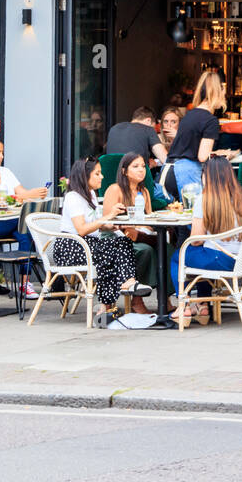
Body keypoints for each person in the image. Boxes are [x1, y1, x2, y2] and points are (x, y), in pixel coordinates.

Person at [53, 157, 154, 327]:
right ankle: (119, 292)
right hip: (71, 247)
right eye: (97, 174)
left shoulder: (90, 194)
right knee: (111, 250)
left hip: (88, 244)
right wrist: (108, 216)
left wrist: (111, 226)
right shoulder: (73, 197)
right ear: (85, 176)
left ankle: (118, 293)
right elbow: (82, 229)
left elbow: (95, 226)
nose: (102, 177)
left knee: (122, 242)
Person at [171, 156, 242, 325]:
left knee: (179, 255)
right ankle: (202, 305)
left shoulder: (204, 199)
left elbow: (195, 240)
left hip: (220, 259)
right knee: (199, 254)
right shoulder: (241, 196)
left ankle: (184, 304)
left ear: (207, 176)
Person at [101, 152, 160, 314]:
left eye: (143, 166)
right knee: (145, 251)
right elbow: (106, 222)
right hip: (115, 237)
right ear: (124, 171)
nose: (141, 170)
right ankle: (137, 300)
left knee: (165, 248)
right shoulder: (115, 189)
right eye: (135, 167)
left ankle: (165, 300)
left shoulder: (144, 191)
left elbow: (149, 220)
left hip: (137, 235)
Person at [0, 136, 47, 254]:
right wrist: (28, 195)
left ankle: (25, 272)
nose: (1, 156)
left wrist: (36, 194)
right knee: (26, 222)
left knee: (25, 235)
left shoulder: (6, 172)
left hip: (9, 221)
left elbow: (22, 193)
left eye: (2, 153)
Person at [166, 71, 237, 195]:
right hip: (186, 173)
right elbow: (203, 156)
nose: (225, 95)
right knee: (196, 213)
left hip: (169, 170)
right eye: (223, 91)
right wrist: (223, 154)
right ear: (217, 92)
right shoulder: (210, 120)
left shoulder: (189, 114)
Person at [105, 106, 171, 204]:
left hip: (110, 187)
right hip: (137, 189)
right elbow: (166, 159)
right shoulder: (147, 129)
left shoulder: (114, 129)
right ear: (149, 121)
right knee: (171, 196)